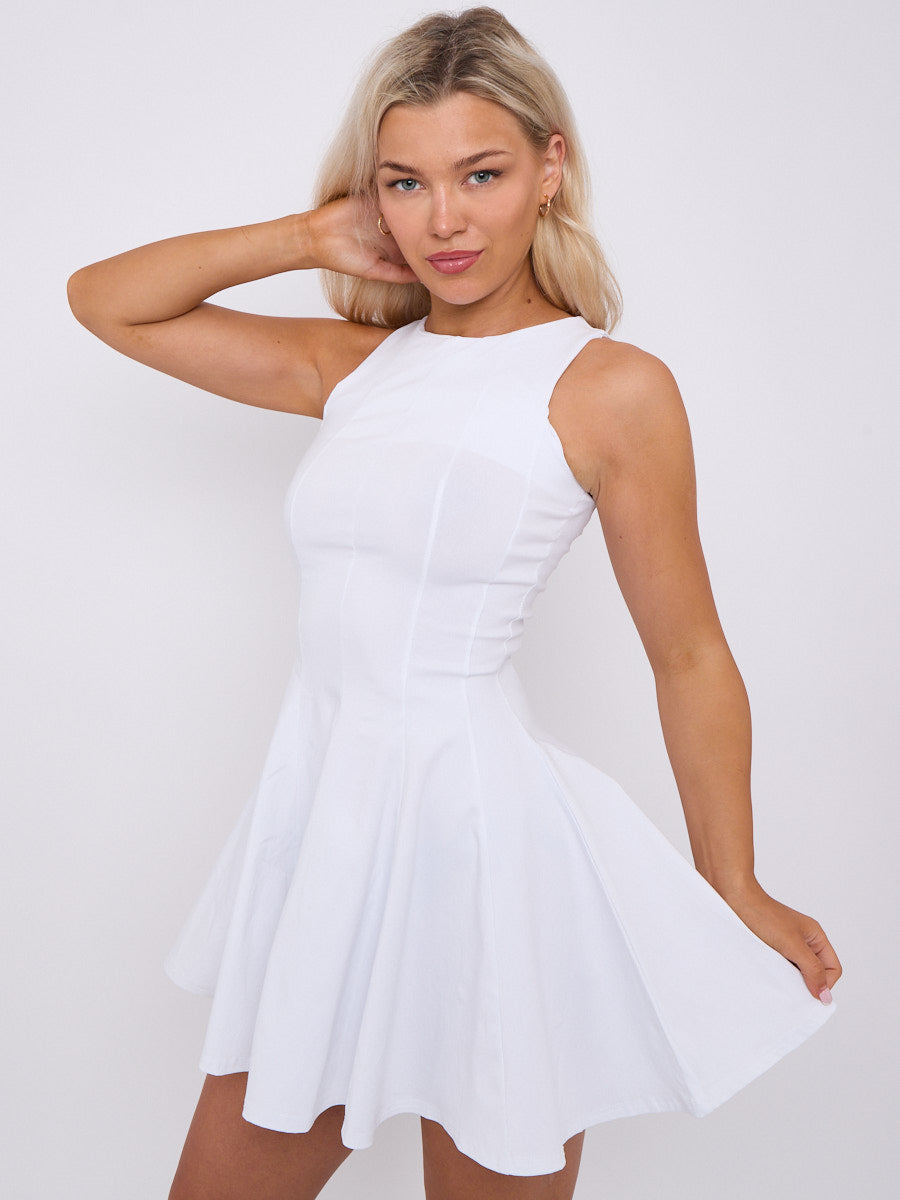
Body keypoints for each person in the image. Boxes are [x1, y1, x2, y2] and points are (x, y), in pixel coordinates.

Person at [67, 8, 841, 1199]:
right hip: (331, 837)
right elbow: (106, 300)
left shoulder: (609, 388)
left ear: (549, 168)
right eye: (406, 183)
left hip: (482, 847)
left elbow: (688, 653)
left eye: (481, 174)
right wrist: (306, 234)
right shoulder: (357, 366)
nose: (444, 221)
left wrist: (730, 879)